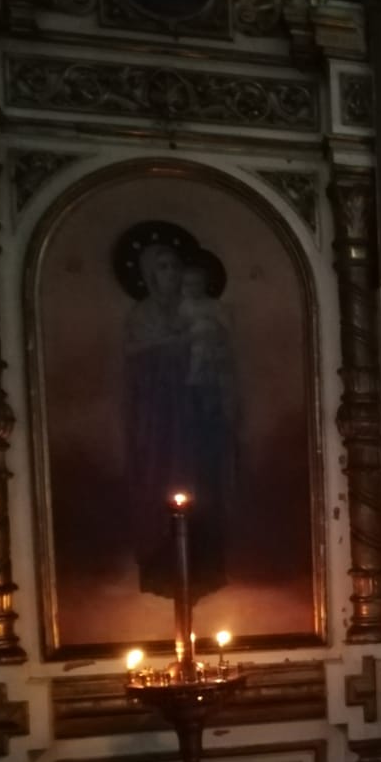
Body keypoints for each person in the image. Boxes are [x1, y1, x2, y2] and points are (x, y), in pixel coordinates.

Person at [124, 241, 232, 601]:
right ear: (150, 275)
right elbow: (136, 358)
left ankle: (204, 564)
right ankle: (161, 564)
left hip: (196, 413)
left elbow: (218, 354)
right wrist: (174, 346)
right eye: (162, 267)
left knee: (202, 482)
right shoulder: (143, 314)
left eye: (174, 266)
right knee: (163, 480)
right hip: (159, 421)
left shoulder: (197, 308)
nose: (170, 274)